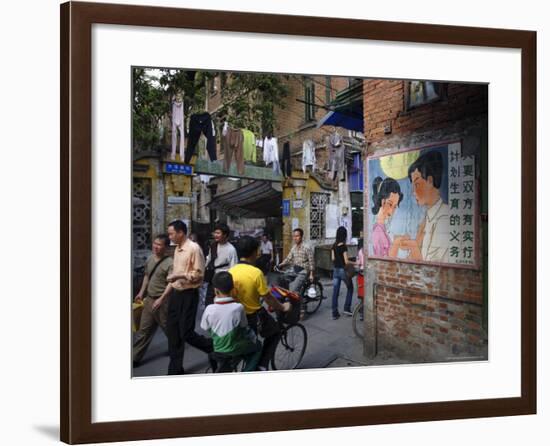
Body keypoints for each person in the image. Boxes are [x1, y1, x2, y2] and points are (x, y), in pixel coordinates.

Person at [229, 236, 291, 370]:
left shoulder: (231, 271)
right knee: (275, 332)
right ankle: (262, 365)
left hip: (236, 316)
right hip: (253, 316)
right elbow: (268, 298)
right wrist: (282, 306)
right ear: (253, 252)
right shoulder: (256, 273)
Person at [165, 220, 213, 375]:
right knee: (173, 332)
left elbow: (198, 275)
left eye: (171, 233)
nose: (169, 236)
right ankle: (175, 369)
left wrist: (179, 275)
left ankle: (211, 347)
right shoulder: (177, 249)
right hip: (176, 293)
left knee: (186, 332)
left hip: (188, 294)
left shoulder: (193, 248)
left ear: (180, 233)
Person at [200, 271, 261, 372]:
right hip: (233, 347)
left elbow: (205, 327)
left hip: (217, 347)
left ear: (215, 291)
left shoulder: (209, 308)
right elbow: (244, 326)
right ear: (233, 290)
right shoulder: (238, 307)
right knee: (258, 347)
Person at [400, 150, 450, 262]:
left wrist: (413, 246)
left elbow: (432, 265)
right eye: (413, 185)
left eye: (417, 184)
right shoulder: (426, 219)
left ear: (430, 181)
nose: (413, 191)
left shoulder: (444, 217)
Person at [133, 234, 173, 366]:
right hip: (149, 300)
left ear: (166, 247)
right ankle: (134, 358)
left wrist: (162, 299)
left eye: (159, 244)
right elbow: (146, 277)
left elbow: (171, 284)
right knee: (143, 331)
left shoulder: (170, 263)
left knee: (168, 328)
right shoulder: (150, 259)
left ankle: (175, 348)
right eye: (154, 244)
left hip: (163, 302)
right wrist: (141, 292)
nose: (155, 247)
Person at [204, 223, 239, 307]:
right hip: (212, 278)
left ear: (225, 235)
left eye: (218, 233)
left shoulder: (231, 249)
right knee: (209, 302)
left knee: (221, 302)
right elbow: (208, 259)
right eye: (215, 233)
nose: (215, 235)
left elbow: (233, 267)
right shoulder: (213, 246)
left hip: (223, 280)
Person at [370, 176, 405, 257]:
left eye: (395, 207)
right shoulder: (377, 231)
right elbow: (382, 260)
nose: (391, 211)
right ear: (382, 201)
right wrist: (396, 244)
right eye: (390, 204)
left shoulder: (382, 228)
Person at [277, 228, 314, 295]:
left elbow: (311, 261)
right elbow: (288, 258)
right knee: (281, 279)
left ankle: (300, 303)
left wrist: (311, 274)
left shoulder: (307, 247)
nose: (295, 238)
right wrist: (280, 265)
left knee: (293, 289)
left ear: (301, 237)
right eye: (294, 236)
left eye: (297, 236)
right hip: (295, 269)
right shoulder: (294, 247)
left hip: (303, 271)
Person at [330, 226, 354, 320]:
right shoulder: (343, 246)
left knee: (335, 292)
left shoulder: (333, 245)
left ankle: (334, 313)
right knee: (350, 288)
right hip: (342, 271)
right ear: (344, 235)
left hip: (335, 271)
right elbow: (346, 261)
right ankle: (347, 308)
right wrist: (356, 262)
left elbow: (332, 258)